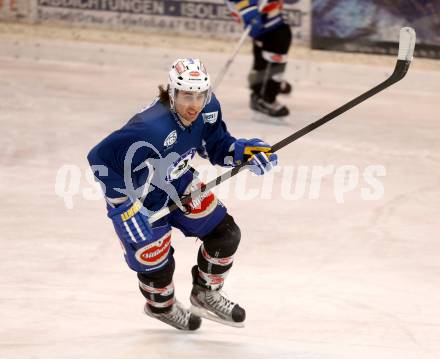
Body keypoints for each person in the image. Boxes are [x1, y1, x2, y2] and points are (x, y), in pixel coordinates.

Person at [87, 58, 278, 331]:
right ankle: (160, 308)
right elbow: (100, 158)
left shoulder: (208, 109)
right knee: (156, 265)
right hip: (141, 201)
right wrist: (123, 207)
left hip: (177, 183)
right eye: (187, 95)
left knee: (225, 234)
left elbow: (216, 146)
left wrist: (243, 152)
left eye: (200, 95)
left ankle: (205, 294)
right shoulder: (150, 126)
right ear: (172, 93)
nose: (195, 104)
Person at [226, 0, 293, 117]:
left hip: (261, 7)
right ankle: (265, 94)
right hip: (247, 5)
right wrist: (247, 8)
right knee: (278, 36)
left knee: (269, 35)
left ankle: (261, 79)